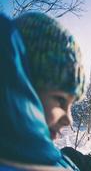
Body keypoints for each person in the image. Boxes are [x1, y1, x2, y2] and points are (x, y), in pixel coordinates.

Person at [0, 12, 85, 170]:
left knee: (69, 154)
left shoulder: (30, 153)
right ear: (22, 86)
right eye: (60, 100)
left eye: (71, 104)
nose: (69, 120)